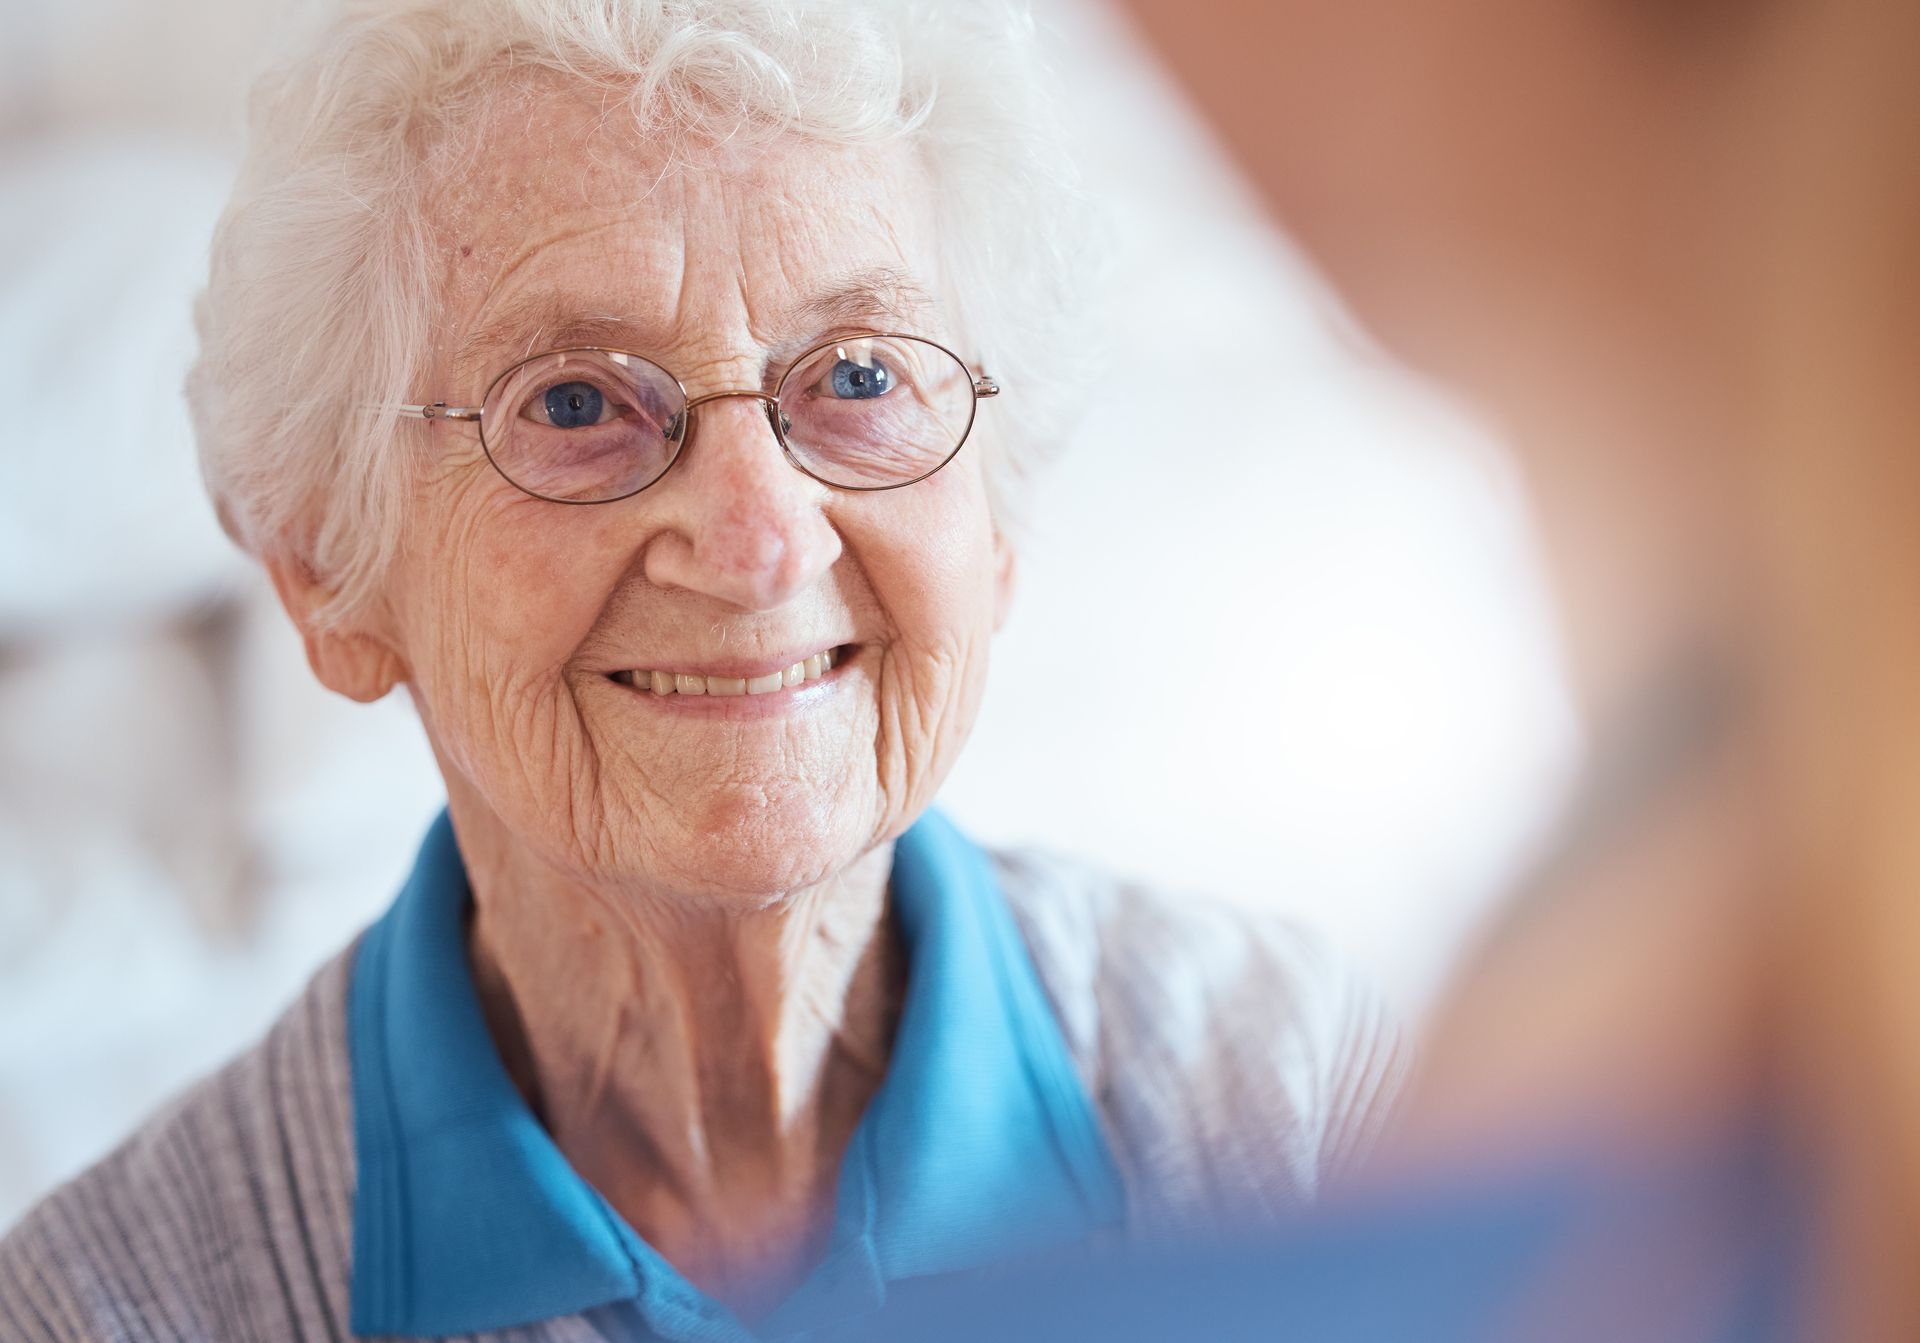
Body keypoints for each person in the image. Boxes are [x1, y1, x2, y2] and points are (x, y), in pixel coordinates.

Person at [0, 1, 1401, 1339]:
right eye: (572, 402)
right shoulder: (101, 1311)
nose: (756, 541)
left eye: (858, 378)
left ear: (997, 516)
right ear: (328, 571)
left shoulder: (1315, 1108)